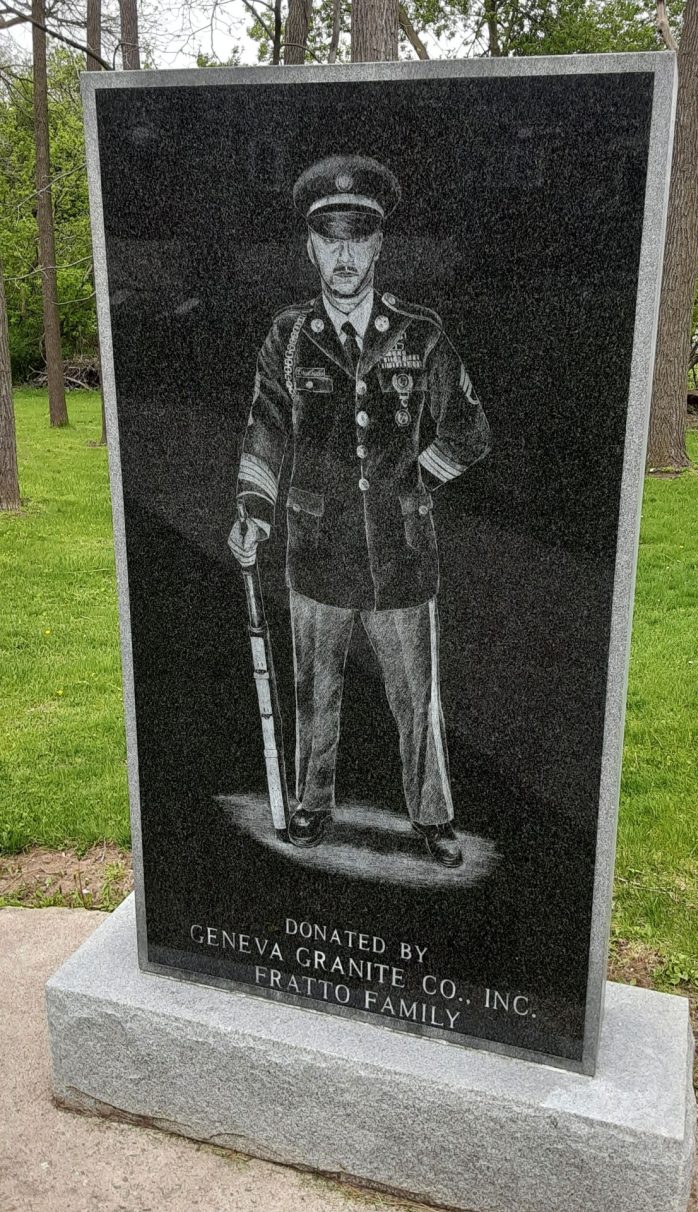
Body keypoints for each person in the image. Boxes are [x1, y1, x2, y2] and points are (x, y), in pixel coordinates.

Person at [229, 154, 491, 868]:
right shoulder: (288, 336)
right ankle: (313, 804)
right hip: (316, 549)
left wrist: (419, 480)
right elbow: (265, 425)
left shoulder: (421, 333)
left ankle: (432, 818)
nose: (344, 254)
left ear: (380, 244)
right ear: (310, 245)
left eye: (359, 236)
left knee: (417, 698)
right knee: (316, 691)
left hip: (403, 555)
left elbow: (469, 428)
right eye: (329, 237)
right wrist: (254, 505)